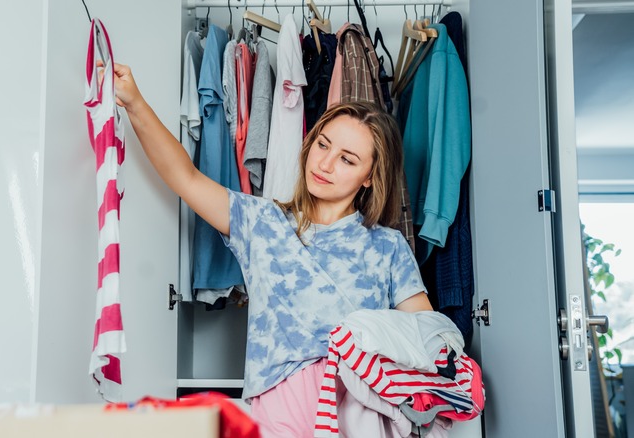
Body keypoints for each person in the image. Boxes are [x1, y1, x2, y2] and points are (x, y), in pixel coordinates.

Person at [110, 62, 433, 437]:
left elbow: (427, 341)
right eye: (323, 145)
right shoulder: (261, 222)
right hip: (279, 404)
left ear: (370, 177)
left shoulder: (387, 246)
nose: (325, 164)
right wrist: (134, 103)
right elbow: (185, 176)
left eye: (347, 159)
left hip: (361, 408)